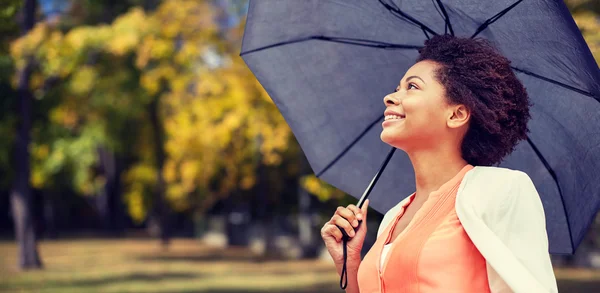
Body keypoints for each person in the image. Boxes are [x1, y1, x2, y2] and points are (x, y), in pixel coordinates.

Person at [320, 35, 558, 293]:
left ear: (456, 114)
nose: (390, 97)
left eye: (412, 87)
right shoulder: (392, 217)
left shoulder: (500, 190)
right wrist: (350, 264)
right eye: (397, 87)